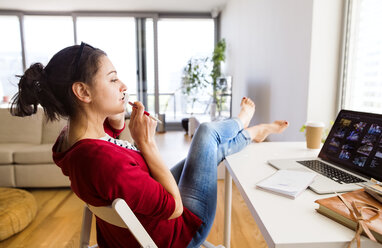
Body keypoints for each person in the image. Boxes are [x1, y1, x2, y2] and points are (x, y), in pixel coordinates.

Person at [10, 42, 289, 248]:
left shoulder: (71, 140)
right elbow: (174, 209)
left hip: (138, 226)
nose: (123, 85)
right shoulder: (104, 163)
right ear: (83, 92)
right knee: (205, 134)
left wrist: (117, 117)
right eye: (113, 78)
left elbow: (110, 134)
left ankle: (252, 133)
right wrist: (147, 143)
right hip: (178, 233)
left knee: (209, 149)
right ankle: (242, 123)